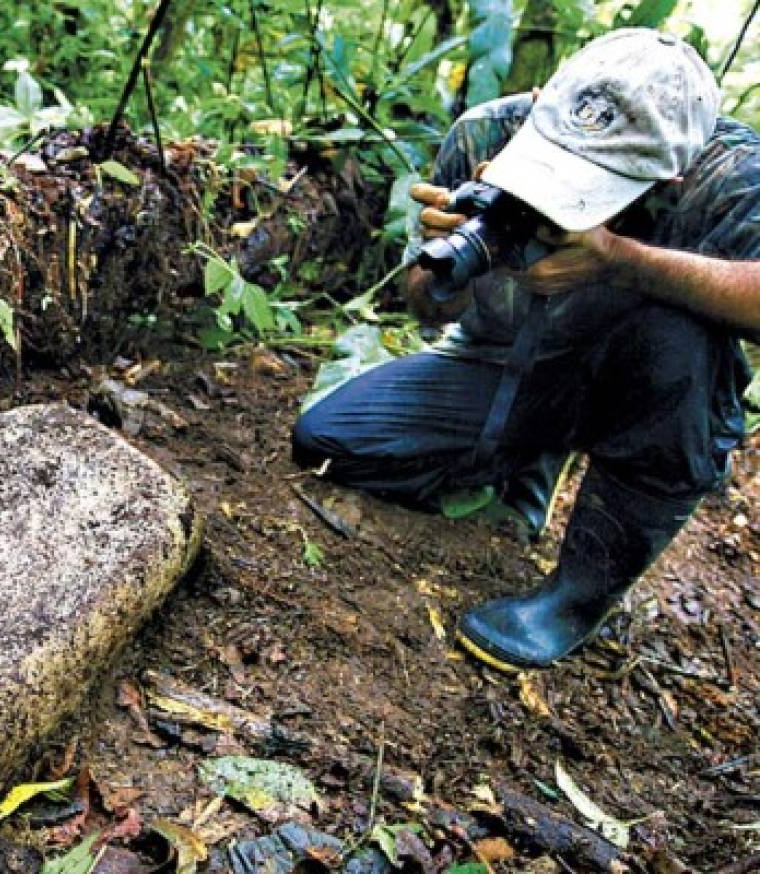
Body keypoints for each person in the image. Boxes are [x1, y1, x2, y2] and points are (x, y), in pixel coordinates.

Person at [291, 28, 760, 672]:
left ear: (672, 173)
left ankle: (575, 600)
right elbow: (426, 306)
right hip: (502, 363)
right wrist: (453, 261)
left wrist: (620, 263)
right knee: (330, 439)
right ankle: (526, 456)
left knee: (681, 342)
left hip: (642, 384)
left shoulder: (731, 177)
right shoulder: (486, 134)